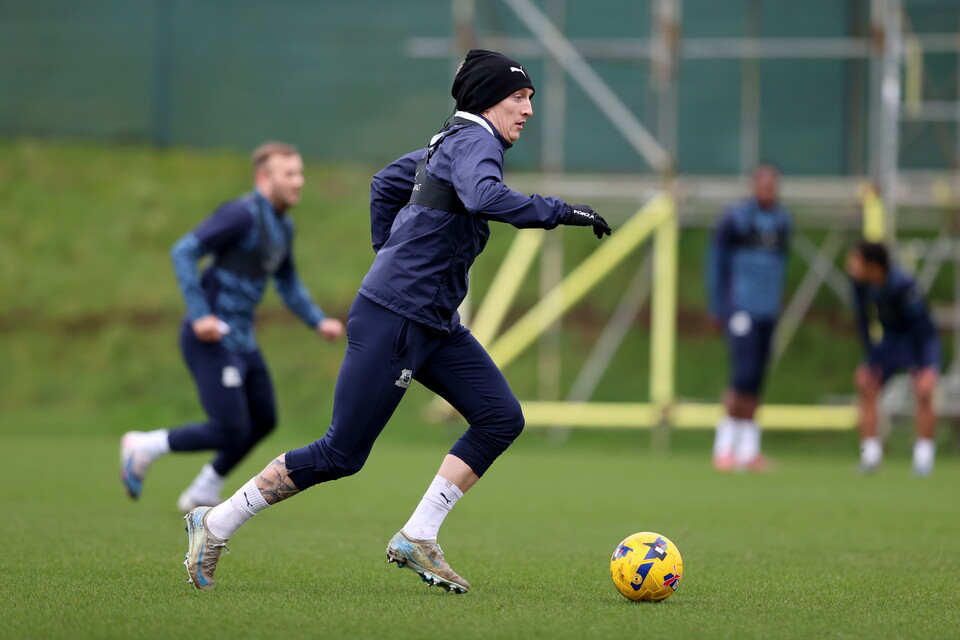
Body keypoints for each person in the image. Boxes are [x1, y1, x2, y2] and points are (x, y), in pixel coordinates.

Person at [180, 49, 611, 594]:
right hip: (398, 316)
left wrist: (391, 252)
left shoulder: (449, 140)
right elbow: (483, 195)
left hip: (430, 318)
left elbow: (385, 183)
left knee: (500, 416)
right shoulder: (475, 141)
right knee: (341, 453)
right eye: (519, 98)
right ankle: (214, 523)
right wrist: (559, 210)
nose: (528, 110)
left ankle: (418, 535)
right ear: (487, 100)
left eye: (530, 99)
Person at [120, 142, 345, 512]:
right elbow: (184, 251)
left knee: (263, 419)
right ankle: (144, 446)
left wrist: (318, 320)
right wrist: (199, 314)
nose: (298, 181)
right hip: (210, 337)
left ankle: (204, 489)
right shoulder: (240, 214)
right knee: (229, 428)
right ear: (263, 178)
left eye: (300, 172)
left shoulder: (283, 225)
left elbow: (287, 282)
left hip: (242, 340)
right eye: (288, 174)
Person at [706, 164, 791, 472]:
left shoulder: (782, 221)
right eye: (765, 184)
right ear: (754, 186)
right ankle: (724, 446)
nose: (770, 190)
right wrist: (718, 306)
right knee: (741, 375)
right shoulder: (736, 218)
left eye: (774, 185)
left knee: (757, 378)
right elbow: (716, 260)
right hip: (741, 307)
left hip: (768, 310)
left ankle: (749, 450)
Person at [846, 240, 940, 476]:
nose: (851, 265)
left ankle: (923, 458)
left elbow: (924, 328)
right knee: (867, 386)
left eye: (856, 260)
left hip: (915, 340)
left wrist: (928, 365)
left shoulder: (903, 284)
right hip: (888, 342)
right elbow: (863, 322)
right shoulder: (860, 285)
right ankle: (870, 456)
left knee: (924, 392)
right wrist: (869, 362)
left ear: (873, 265)